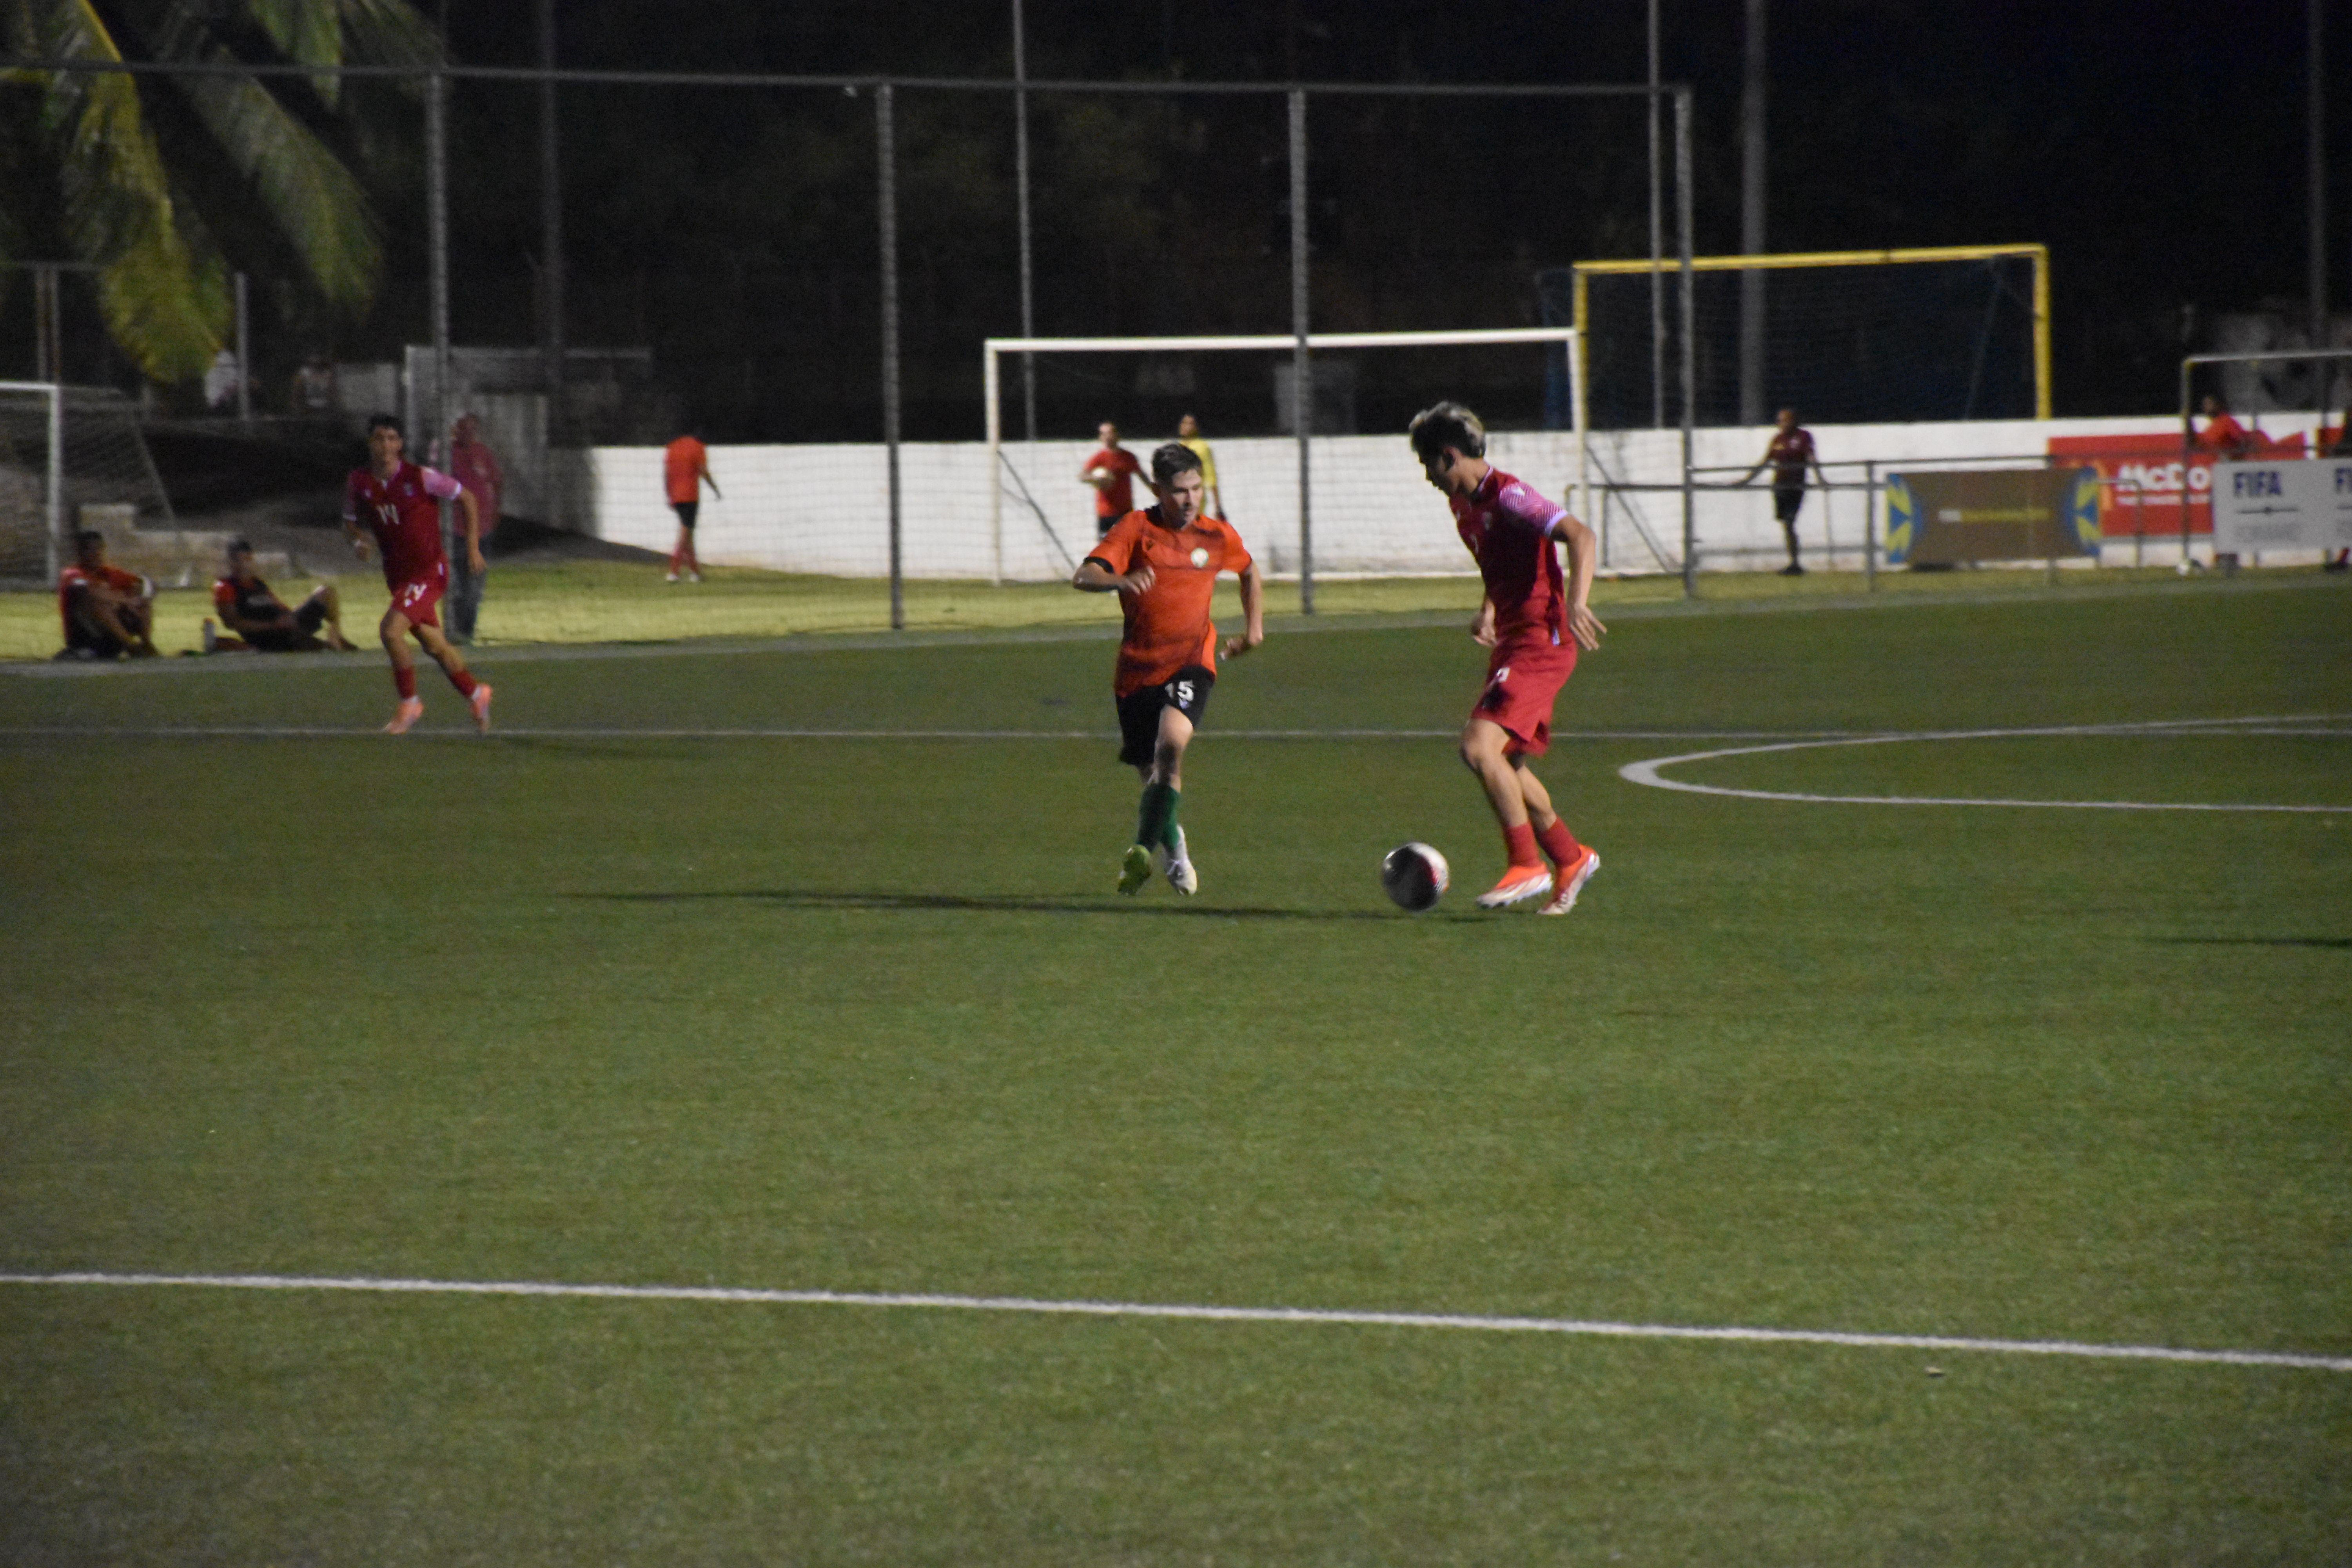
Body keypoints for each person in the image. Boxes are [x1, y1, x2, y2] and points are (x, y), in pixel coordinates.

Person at [1410, 400, 1605, 915]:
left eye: (1428, 465)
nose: (1428, 477)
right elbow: (1503, 563)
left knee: (1478, 748)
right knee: (1507, 763)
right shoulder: (1463, 505)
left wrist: (1580, 602)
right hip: (1514, 639)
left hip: (1541, 641)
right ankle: (1570, 858)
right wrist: (1489, 608)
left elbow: (1580, 536)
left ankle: (1526, 865)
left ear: (1449, 456)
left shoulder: (1512, 497)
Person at [1071, 441, 1263, 897]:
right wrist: (1120, 579)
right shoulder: (1136, 529)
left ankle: (1140, 850)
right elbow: (1084, 575)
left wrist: (1254, 631)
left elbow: (1250, 571)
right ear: (1159, 489)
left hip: (1192, 660)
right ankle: (1174, 848)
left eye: (1197, 488)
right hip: (1137, 671)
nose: (1190, 499)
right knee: (1153, 778)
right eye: (1179, 491)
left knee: (1170, 749)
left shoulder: (1217, 535)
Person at [343, 413, 493, 734]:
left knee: (390, 632)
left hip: (428, 572)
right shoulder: (359, 481)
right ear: (370, 443)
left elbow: (467, 497)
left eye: (392, 439)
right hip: (398, 577)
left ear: (400, 444)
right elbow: (350, 523)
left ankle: (409, 704)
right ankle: (477, 693)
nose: (386, 446)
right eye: (379, 439)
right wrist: (357, 540)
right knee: (435, 646)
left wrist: (472, 547)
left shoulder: (420, 477)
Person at [207, 539, 355, 653]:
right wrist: (273, 625)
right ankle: (330, 645)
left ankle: (337, 636)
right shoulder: (226, 587)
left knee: (326, 593)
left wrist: (288, 616)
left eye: (248, 560)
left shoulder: (257, 584)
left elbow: (277, 605)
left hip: (285, 628)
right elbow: (233, 622)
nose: (245, 565)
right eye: (240, 561)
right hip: (267, 636)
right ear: (231, 562)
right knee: (322, 649)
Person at [1740, 407, 1826, 575]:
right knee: (1786, 525)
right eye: (1780, 421)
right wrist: (1747, 480)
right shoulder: (1777, 439)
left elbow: (1811, 458)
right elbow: (1765, 461)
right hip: (1780, 487)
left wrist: (1820, 478)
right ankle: (1793, 563)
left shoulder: (1803, 437)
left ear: (1794, 421)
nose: (1782, 424)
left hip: (1795, 486)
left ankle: (1795, 563)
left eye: (1786, 420)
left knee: (1790, 521)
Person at [55, 530, 158, 660]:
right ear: (80, 553)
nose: (95, 554)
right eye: (90, 550)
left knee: (140, 596)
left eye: (98, 549)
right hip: (85, 636)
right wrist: (127, 601)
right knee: (98, 602)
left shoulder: (109, 573)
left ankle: (146, 644)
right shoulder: (72, 574)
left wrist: (143, 597)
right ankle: (131, 646)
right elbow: (90, 591)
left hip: (111, 635)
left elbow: (147, 583)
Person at [446, 413, 503, 642]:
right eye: (464, 429)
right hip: (457, 531)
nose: (469, 434)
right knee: (457, 586)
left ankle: (465, 633)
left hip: (483, 530)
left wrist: (497, 510)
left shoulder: (483, 454)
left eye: (473, 430)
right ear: (456, 430)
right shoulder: (448, 454)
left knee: (475, 587)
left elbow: (497, 483)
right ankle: (456, 630)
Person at [664, 427, 719, 582]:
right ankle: (673, 572)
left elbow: (666, 473)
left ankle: (695, 573)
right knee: (685, 533)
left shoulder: (672, 447)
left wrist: (669, 494)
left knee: (688, 534)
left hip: (675, 495)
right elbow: (703, 470)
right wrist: (715, 488)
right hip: (690, 496)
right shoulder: (698, 447)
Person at [1079, 421, 1145, 540]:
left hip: (1125, 511)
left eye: (1110, 433)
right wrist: (1097, 479)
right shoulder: (1099, 458)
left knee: (1127, 547)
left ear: (1117, 435)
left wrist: (1157, 491)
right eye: (1104, 434)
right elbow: (1082, 476)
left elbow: (1142, 476)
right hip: (1106, 512)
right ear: (1100, 438)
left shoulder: (1128, 457)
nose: (1108, 437)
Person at [1175, 412, 1225, 519]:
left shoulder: (1202, 447)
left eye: (1190, 424)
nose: (1186, 427)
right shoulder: (1178, 447)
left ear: (1196, 427)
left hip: (1194, 497)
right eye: (1184, 423)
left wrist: (1218, 505)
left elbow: (1211, 476)